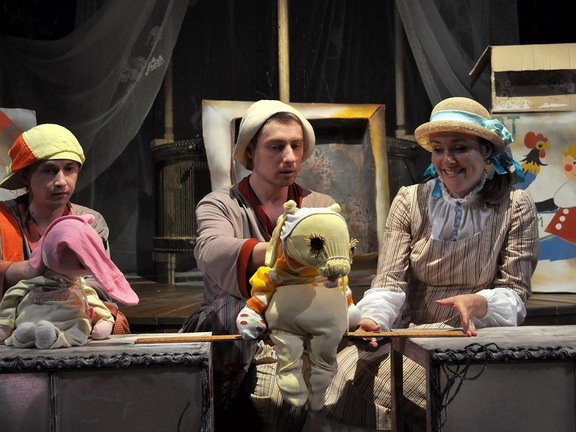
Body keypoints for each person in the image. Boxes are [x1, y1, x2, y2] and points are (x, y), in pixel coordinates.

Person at [307, 97, 540, 432]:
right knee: (340, 374)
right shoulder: (409, 200)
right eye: (439, 150)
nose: (448, 160)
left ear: (486, 150)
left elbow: (515, 292)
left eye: (460, 148)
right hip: (410, 335)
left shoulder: (515, 206)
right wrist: (373, 319)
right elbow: (389, 281)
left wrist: (481, 303)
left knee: (400, 390)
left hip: (473, 338)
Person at [181, 99, 336, 431]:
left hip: (301, 321)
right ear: (250, 151)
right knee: (231, 312)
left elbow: (333, 266)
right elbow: (211, 249)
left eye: (296, 146)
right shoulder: (222, 204)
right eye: (276, 147)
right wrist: (282, 248)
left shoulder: (319, 206)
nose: (289, 157)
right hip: (234, 326)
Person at [0, 123, 129, 333]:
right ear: (24, 176)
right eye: (49, 170)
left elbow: (99, 280)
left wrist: (61, 293)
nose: (61, 181)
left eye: (69, 169)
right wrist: (29, 269)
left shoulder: (89, 221)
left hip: (72, 313)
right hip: (13, 317)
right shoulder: (2, 219)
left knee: (112, 321)